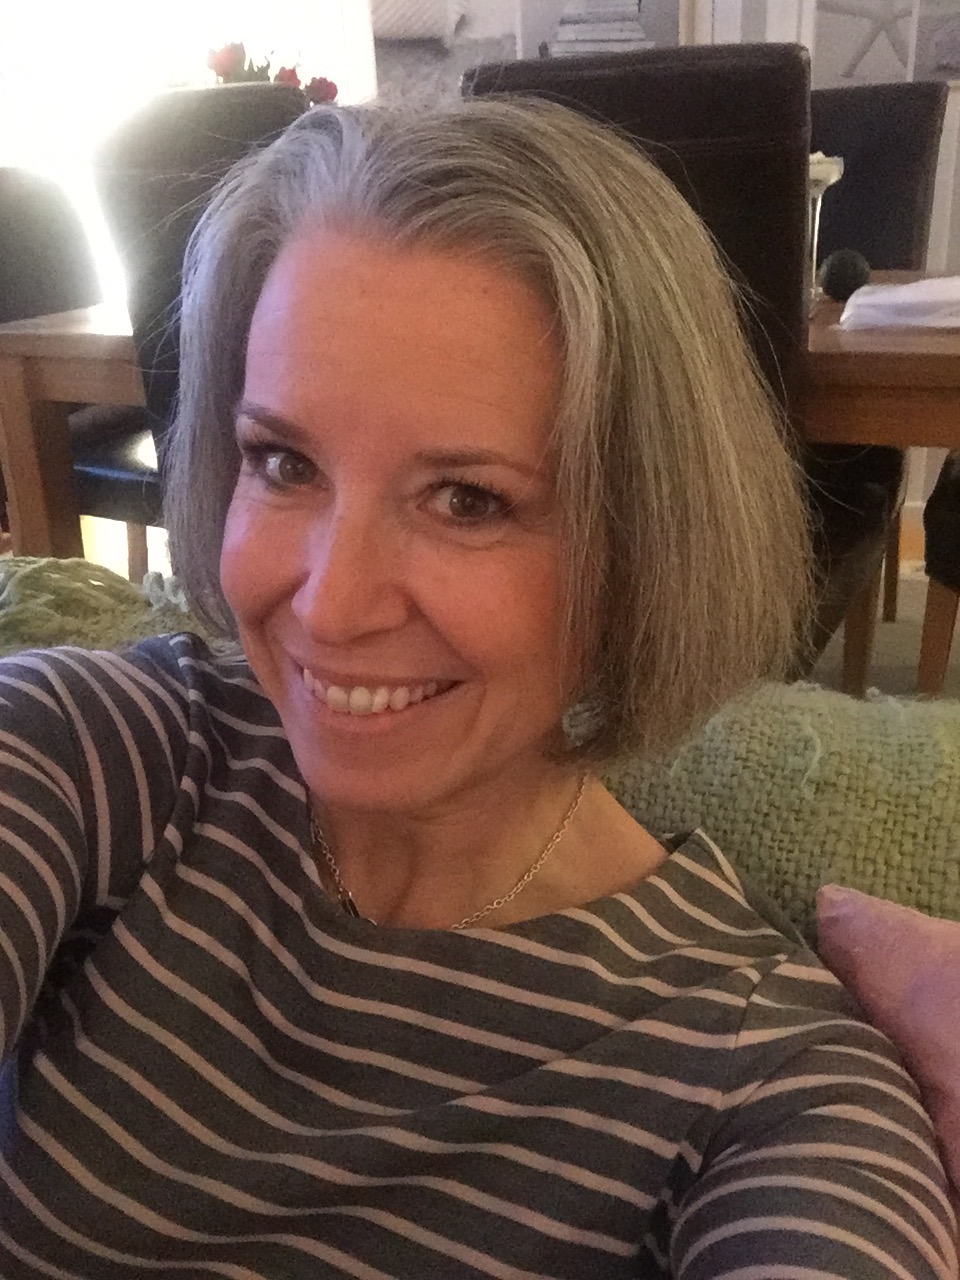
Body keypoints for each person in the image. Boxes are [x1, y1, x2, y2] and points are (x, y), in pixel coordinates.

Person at [0, 97, 955, 1279]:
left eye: (466, 498)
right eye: (284, 461)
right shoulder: (100, 759)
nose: (330, 605)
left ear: (646, 542)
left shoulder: (768, 1086)